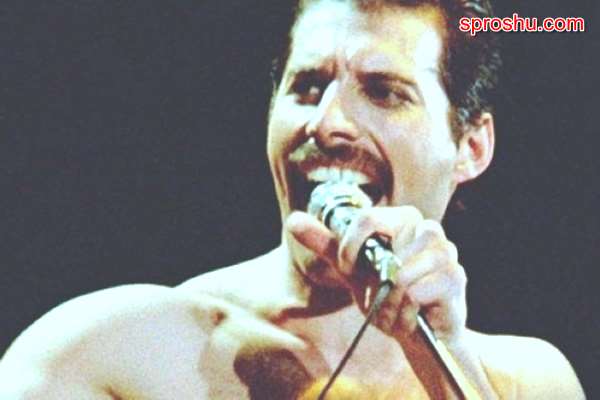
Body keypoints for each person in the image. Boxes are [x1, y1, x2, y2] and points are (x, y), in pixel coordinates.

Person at [0, 0, 585, 398]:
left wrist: (441, 358)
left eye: (384, 92)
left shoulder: (526, 382)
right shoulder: (116, 350)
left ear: (471, 147)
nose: (328, 123)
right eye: (307, 87)